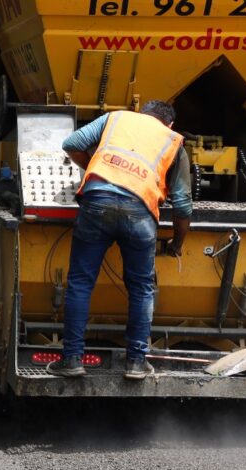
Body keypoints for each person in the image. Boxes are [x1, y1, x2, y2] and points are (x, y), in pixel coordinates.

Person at [48, 99, 192, 380]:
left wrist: (98, 168)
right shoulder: (174, 141)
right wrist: (177, 244)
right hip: (140, 212)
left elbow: (72, 142)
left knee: (80, 282)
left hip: (97, 201)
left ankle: (73, 359)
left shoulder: (117, 119)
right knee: (141, 288)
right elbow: (183, 206)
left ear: (141, 115)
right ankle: (136, 362)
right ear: (169, 124)